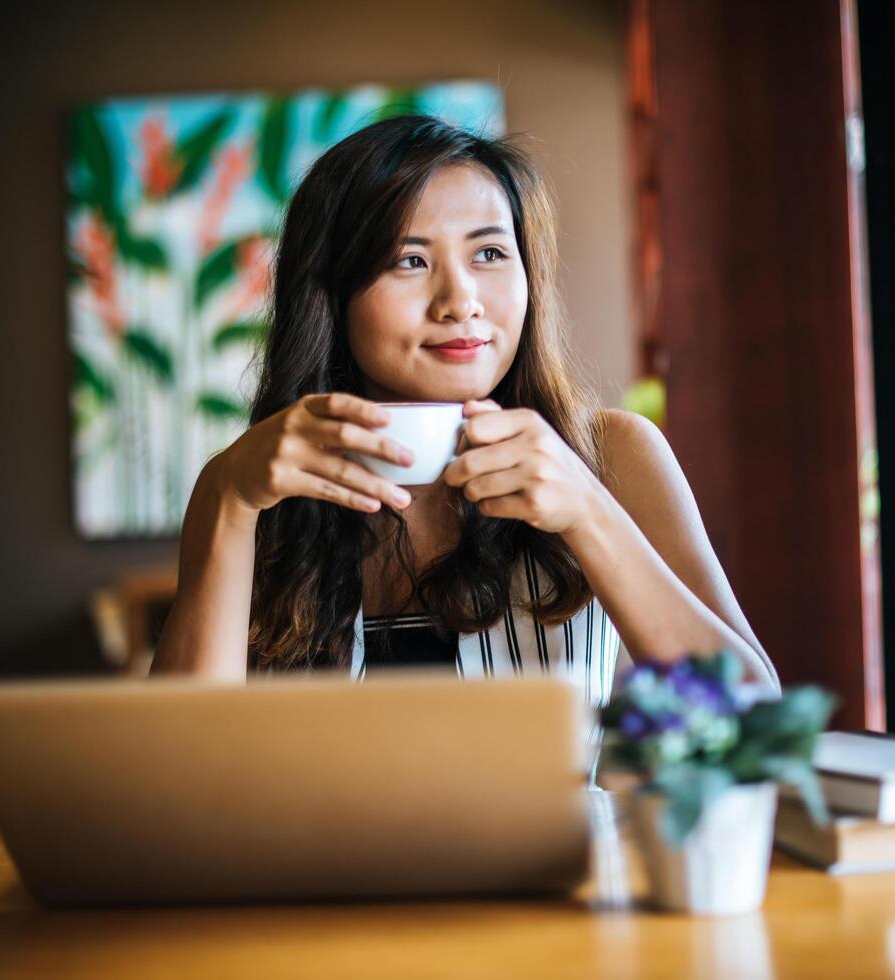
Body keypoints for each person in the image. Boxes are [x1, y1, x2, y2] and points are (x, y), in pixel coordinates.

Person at [151, 115, 777, 709]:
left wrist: (588, 509)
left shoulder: (613, 454)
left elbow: (753, 720)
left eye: (490, 254)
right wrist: (228, 499)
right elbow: (173, 774)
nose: (462, 301)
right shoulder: (255, 486)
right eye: (410, 261)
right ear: (332, 294)